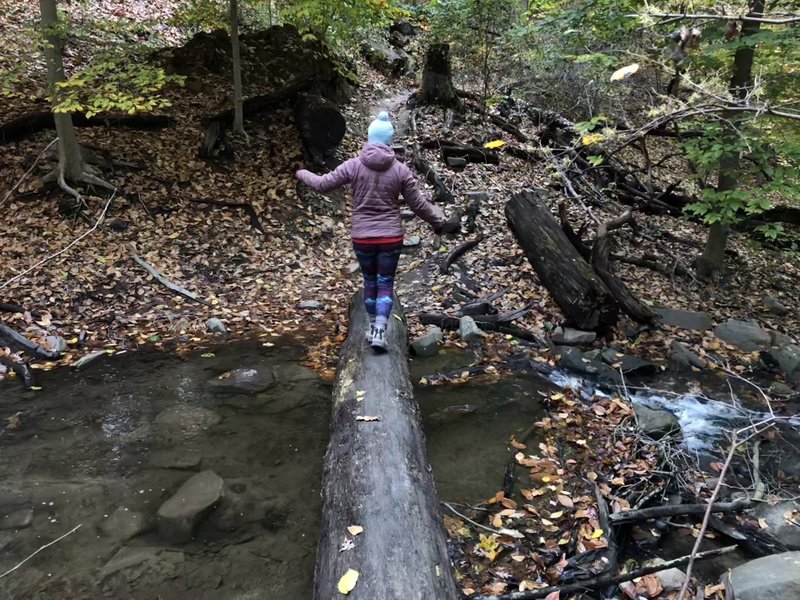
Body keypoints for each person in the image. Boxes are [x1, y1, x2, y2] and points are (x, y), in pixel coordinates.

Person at [295, 111, 459, 352]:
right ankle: (380, 331)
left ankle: (373, 327)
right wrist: (438, 222)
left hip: (362, 237)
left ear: (370, 138)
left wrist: (300, 173)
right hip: (390, 237)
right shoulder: (400, 170)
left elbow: (322, 184)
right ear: (389, 141)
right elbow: (419, 205)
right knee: (385, 284)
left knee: (369, 282)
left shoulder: (353, 165)